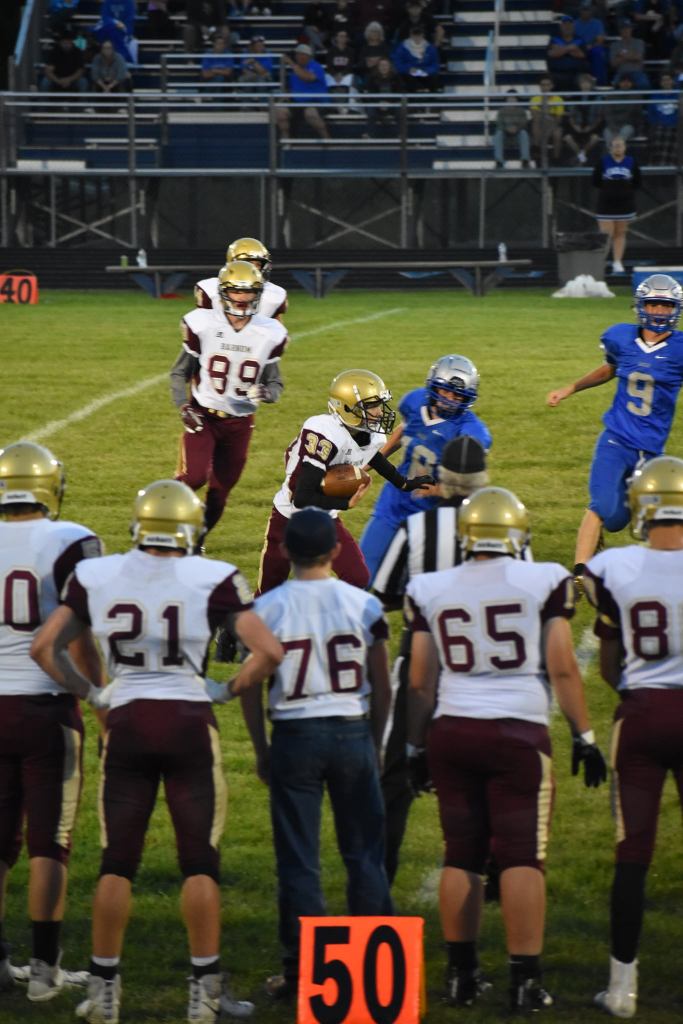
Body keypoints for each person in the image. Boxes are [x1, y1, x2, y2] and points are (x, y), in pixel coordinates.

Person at [31, 479, 283, 1024]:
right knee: (199, 862)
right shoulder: (213, 576)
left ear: (139, 525)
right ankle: (203, 994)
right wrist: (224, 689)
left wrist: (92, 693)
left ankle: (104, 993)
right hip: (189, 721)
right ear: (190, 529)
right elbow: (267, 651)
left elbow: (43, 647)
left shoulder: (97, 575)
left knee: (117, 862)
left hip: (127, 721)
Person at [405, 486, 606, 1012]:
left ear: (466, 536)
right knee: (521, 857)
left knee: (460, 853)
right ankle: (525, 980)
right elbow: (563, 667)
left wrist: (413, 746)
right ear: (518, 535)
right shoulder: (545, 579)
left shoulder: (430, 587)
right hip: (518, 732)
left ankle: (461, 977)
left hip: (453, 730)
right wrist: (584, 735)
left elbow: (420, 683)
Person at [241, 507, 393, 1000]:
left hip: (295, 733)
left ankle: (303, 971)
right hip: (351, 730)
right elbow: (383, 684)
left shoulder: (268, 608)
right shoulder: (363, 605)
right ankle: (375, 977)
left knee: (299, 859)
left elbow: (249, 685)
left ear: (286, 550)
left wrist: (261, 747)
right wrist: (376, 743)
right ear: (335, 550)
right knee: (364, 855)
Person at [0, 441, 103, 1000]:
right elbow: (80, 634)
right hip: (45, 704)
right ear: (48, 487)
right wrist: (100, 698)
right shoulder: (71, 541)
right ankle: (44, 971)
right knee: (49, 842)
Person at [584, 456, 683, 1020]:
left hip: (641, 714)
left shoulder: (615, 566)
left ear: (643, 508)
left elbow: (608, 661)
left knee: (632, 852)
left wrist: (634, 691)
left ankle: (622, 988)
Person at [372, 436, 489, 885]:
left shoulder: (417, 528)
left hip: (421, 661)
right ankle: (493, 870)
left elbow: (383, 595)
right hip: (482, 666)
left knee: (395, 775)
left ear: (443, 478)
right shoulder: (506, 526)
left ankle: (380, 873)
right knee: (484, 773)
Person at [546, 272, 683, 592]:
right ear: (641, 306)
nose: (659, 311)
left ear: (675, 309)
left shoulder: (679, 349)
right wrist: (570, 388)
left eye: (665, 306)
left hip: (652, 448)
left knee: (635, 517)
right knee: (603, 507)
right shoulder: (620, 337)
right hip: (616, 438)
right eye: (654, 304)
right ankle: (580, 574)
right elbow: (609, 369)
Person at [257, 368, 433, 595]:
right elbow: (302, 498)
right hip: (288, 518)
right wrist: (345, 504)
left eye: (379, 404)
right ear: (347, 408)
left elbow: (374, 457)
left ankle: (321, 610)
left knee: (358, 578)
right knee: (268, 593)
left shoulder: (369, 435)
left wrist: (404, 483)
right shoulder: (325, 434)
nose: (379, 412)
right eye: (371, 406)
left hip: (324, 519)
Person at [170, 259, 288, 533]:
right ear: (223, 292)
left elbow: (276, 383)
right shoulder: (203, 324)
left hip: (240, 423)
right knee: (194, 477)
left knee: (220, 492)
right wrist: (183, 406)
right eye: (236, 291)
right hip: (204, 416)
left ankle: (196, 540)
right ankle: (156, 515)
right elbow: (179, 372)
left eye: (249, 292)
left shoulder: (269, 333)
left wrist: (267, 392)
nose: (242, 298)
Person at [360, 354, 492, 583]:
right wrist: (373, 461)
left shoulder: (470, 431)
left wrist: (440, 490)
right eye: (445, 391)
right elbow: (405, 430)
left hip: (431, 515)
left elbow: (472, 485)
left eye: (458, 395)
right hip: (394, 503)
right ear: (433, 386)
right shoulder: (415, 402)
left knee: (414, 586)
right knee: (363, 573)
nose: (450, 399)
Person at [195, 237, 288, 320]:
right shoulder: (210, 289)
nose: (253, 268)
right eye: (248, 264)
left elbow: (276, 329)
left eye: (258, 264)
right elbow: (202, 324)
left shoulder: (275, 294)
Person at [592, 134, 641, 274]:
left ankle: (617, 262)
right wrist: (610, 189)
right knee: (606, 234)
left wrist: (624, 190)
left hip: (624, 203)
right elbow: (596, 181)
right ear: (610, 148)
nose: (618, 148)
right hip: (606, 203)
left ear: (625, 147)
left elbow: (637, 181)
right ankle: (600, 262)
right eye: (615, 146)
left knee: (620, 233)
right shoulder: (603, 161)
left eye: (621, 145)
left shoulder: (631, 161)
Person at [276, 43, 330, 140]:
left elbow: (307, 77)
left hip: (316, 102)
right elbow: (293, 88)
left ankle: (327, 139)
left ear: (307, 55)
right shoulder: (294, 72)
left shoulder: (316, 66)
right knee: (280, 111)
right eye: (296, 54)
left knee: (310, 113)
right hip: (298, 102)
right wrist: (286, 96)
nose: (297, 57)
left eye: (299, 54)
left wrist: (291, 63)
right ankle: (286, 141)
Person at [563, 71, 602, 164]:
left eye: (588, 83)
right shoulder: (574, 97)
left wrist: (591, 127)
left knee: (595, 138)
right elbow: (571, 115)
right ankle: (581, 157)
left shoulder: (597, 97)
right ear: (579, 84)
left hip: (592, 125)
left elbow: (599, 116)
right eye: (583, 83)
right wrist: (575, 125)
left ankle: (581, 156)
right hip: (577, 124)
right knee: (568, 137)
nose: (585, 85)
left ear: (591, 85)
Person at [392, 23, 440, 92]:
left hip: (426, 74)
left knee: (433, 78)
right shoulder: (402, 47)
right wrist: (408, 69)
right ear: (410, 35)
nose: (417, 37)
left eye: (419, 34)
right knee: (406, 79)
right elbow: (397, 63)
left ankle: (430, 97)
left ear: (423, 35)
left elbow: (435, 65)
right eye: (414, 34)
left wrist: (426, 71)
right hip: (408, 75)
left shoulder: (430, 48)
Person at [547, 14, 589, 91]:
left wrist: (561, 49)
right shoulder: (554, 39)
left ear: (573, 26)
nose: (567, 27)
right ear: (561, 26)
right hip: (556, 73)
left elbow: (581, 55)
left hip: (577, 74)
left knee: (585, 81)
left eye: (570, 24)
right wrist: (571, 48)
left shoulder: (580, 40)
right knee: (547, 81)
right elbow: (552, 54)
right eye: (565, 24)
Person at [529, 74, 565, 163]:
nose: (545, 87)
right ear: (540, 86)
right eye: (543, 85)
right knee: (536, 124)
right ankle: (537, 150)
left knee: (558, 133)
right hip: (540, 123)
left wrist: (545, 115)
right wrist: (548, 116)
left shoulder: (558, 99)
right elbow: (535, 116)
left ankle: (556, 159)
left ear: (552, 86)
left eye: (547, 85)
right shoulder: (535, 99)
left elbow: (559, 119)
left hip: (553, 124)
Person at [493, 89, 531, 168]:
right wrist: (507, 129)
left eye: (514, 98)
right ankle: (499, 161)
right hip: (505, 137)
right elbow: (499, 124)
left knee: (524, 133)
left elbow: (524, 124)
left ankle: (525, 160)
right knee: (498, 134)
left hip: (517, 136)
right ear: (506, 99)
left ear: (517, 99)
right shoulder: (501, 111)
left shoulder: (521, 111)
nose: (511, 100)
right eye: (509, 98)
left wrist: (516, 128)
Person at [647, 70, 678, 164]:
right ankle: (658, 165)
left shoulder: (679, 95)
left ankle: (669, 165)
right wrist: (656, 123)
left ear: (672, 81)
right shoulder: (655, 96)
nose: (666, 82)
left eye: (668, 80)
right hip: (659, 125)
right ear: (660, 83)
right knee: (658, 136)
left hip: (675, 125)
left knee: (673, 136)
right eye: (664, 80)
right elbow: (651, 114)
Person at [601, 73, 642, 147]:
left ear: (632, 83)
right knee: (607, 133)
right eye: (623, 81)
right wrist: (614, 128)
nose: (626, 84)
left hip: (628, 126)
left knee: (624, 133)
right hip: (612, 126)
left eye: (628, 82)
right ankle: (611, 154)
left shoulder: (636, 96)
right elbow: (608, 114)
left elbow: (637, 115)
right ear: (619, 83)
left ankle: (617, 152)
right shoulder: (611, 95)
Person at [573, 1, 608, 84]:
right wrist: (583, 48)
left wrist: (591, 46)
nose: (585, 12)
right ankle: (576, 84)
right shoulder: (574, 24)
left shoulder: (597, 23)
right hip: (579, 48)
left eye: (587, 10)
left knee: (598, 51)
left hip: (593, 48)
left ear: (591, 10)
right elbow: (572, 40)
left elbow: (600, 40)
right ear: (580, 10)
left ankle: (599, 83)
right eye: (584, 10)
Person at [610, 18, 650, 87]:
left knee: (644, 85)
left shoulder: (639, 42)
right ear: (620, 30)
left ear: (631, 29)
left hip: (637, 72)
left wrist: (621, 56)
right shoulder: (614, 45)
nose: (626, 30)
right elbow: (613, 63)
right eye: (624, 28)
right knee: (614, 85)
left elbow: (638, 57)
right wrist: (631, 55)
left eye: (628, 28)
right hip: (621, 73)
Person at [356, 20, 391, 85]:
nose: (375, 34)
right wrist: (366, 63)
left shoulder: (384, 47)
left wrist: (379, 62)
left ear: (380, 34)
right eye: (372, 31)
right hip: (367, 74)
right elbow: (359, 65)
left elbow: (389, 61)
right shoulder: (364, 48)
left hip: (382, 74)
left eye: (377, 32)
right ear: (368, 33)